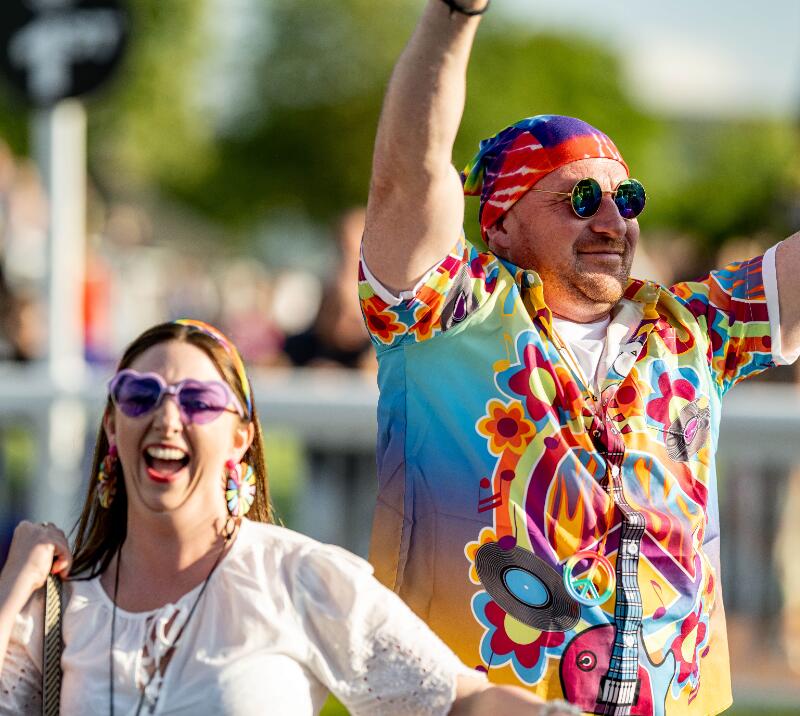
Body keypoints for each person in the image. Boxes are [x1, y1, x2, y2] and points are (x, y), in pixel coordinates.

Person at [359, 1, 800, 714]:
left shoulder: (693, 330)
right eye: (581, 198)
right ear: (498, 223)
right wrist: (454, 15)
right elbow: (406, 181)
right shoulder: (443, 315)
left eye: (627, 198)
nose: (611, 219)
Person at [0, 319, 561, 715]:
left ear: (239, 439)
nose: (167, 417)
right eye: (141, 395)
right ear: (111, 427)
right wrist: (11, 589)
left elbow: (454, 702)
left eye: (197, 401)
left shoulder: (297, 578)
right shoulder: (55, 609)